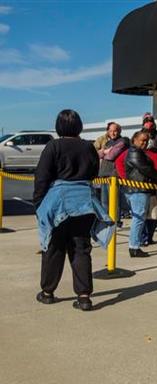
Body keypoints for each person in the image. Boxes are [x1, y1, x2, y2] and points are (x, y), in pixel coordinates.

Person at [33, 109, 113, 312]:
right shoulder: (88, 147)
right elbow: (94, 172)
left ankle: (48, 292)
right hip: (84, 202)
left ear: (59, 127)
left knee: (54, 248)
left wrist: (39, 204)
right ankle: (84, 296)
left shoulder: (54, 146)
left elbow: (42, 177)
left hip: (58, 202)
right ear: (79, 126)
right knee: (81, 249)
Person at [124, 131, 157, 258]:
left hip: (139, 190)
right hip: (137, 190)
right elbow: (145, 169)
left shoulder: (138, 152)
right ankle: (134, 247)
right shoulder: (135, 152)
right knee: (139, 218)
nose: (145, 143)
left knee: (139, 218)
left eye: (146, 140)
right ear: (134, 140)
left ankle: (135, 245)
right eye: (142, 140)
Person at [96, 122, 129, 215]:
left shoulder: (123, 141)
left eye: (115, 131)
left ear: (119, 131)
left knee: (114, 201)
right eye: (110, 131)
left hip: (114, 175)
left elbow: (111, 156)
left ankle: (116, 222)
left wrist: (103, 152)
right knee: (104, 202)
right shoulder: (108, 142)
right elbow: (97, 155)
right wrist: (105, 151)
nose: (113, 133)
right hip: (103, 175)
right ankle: (107, 222)